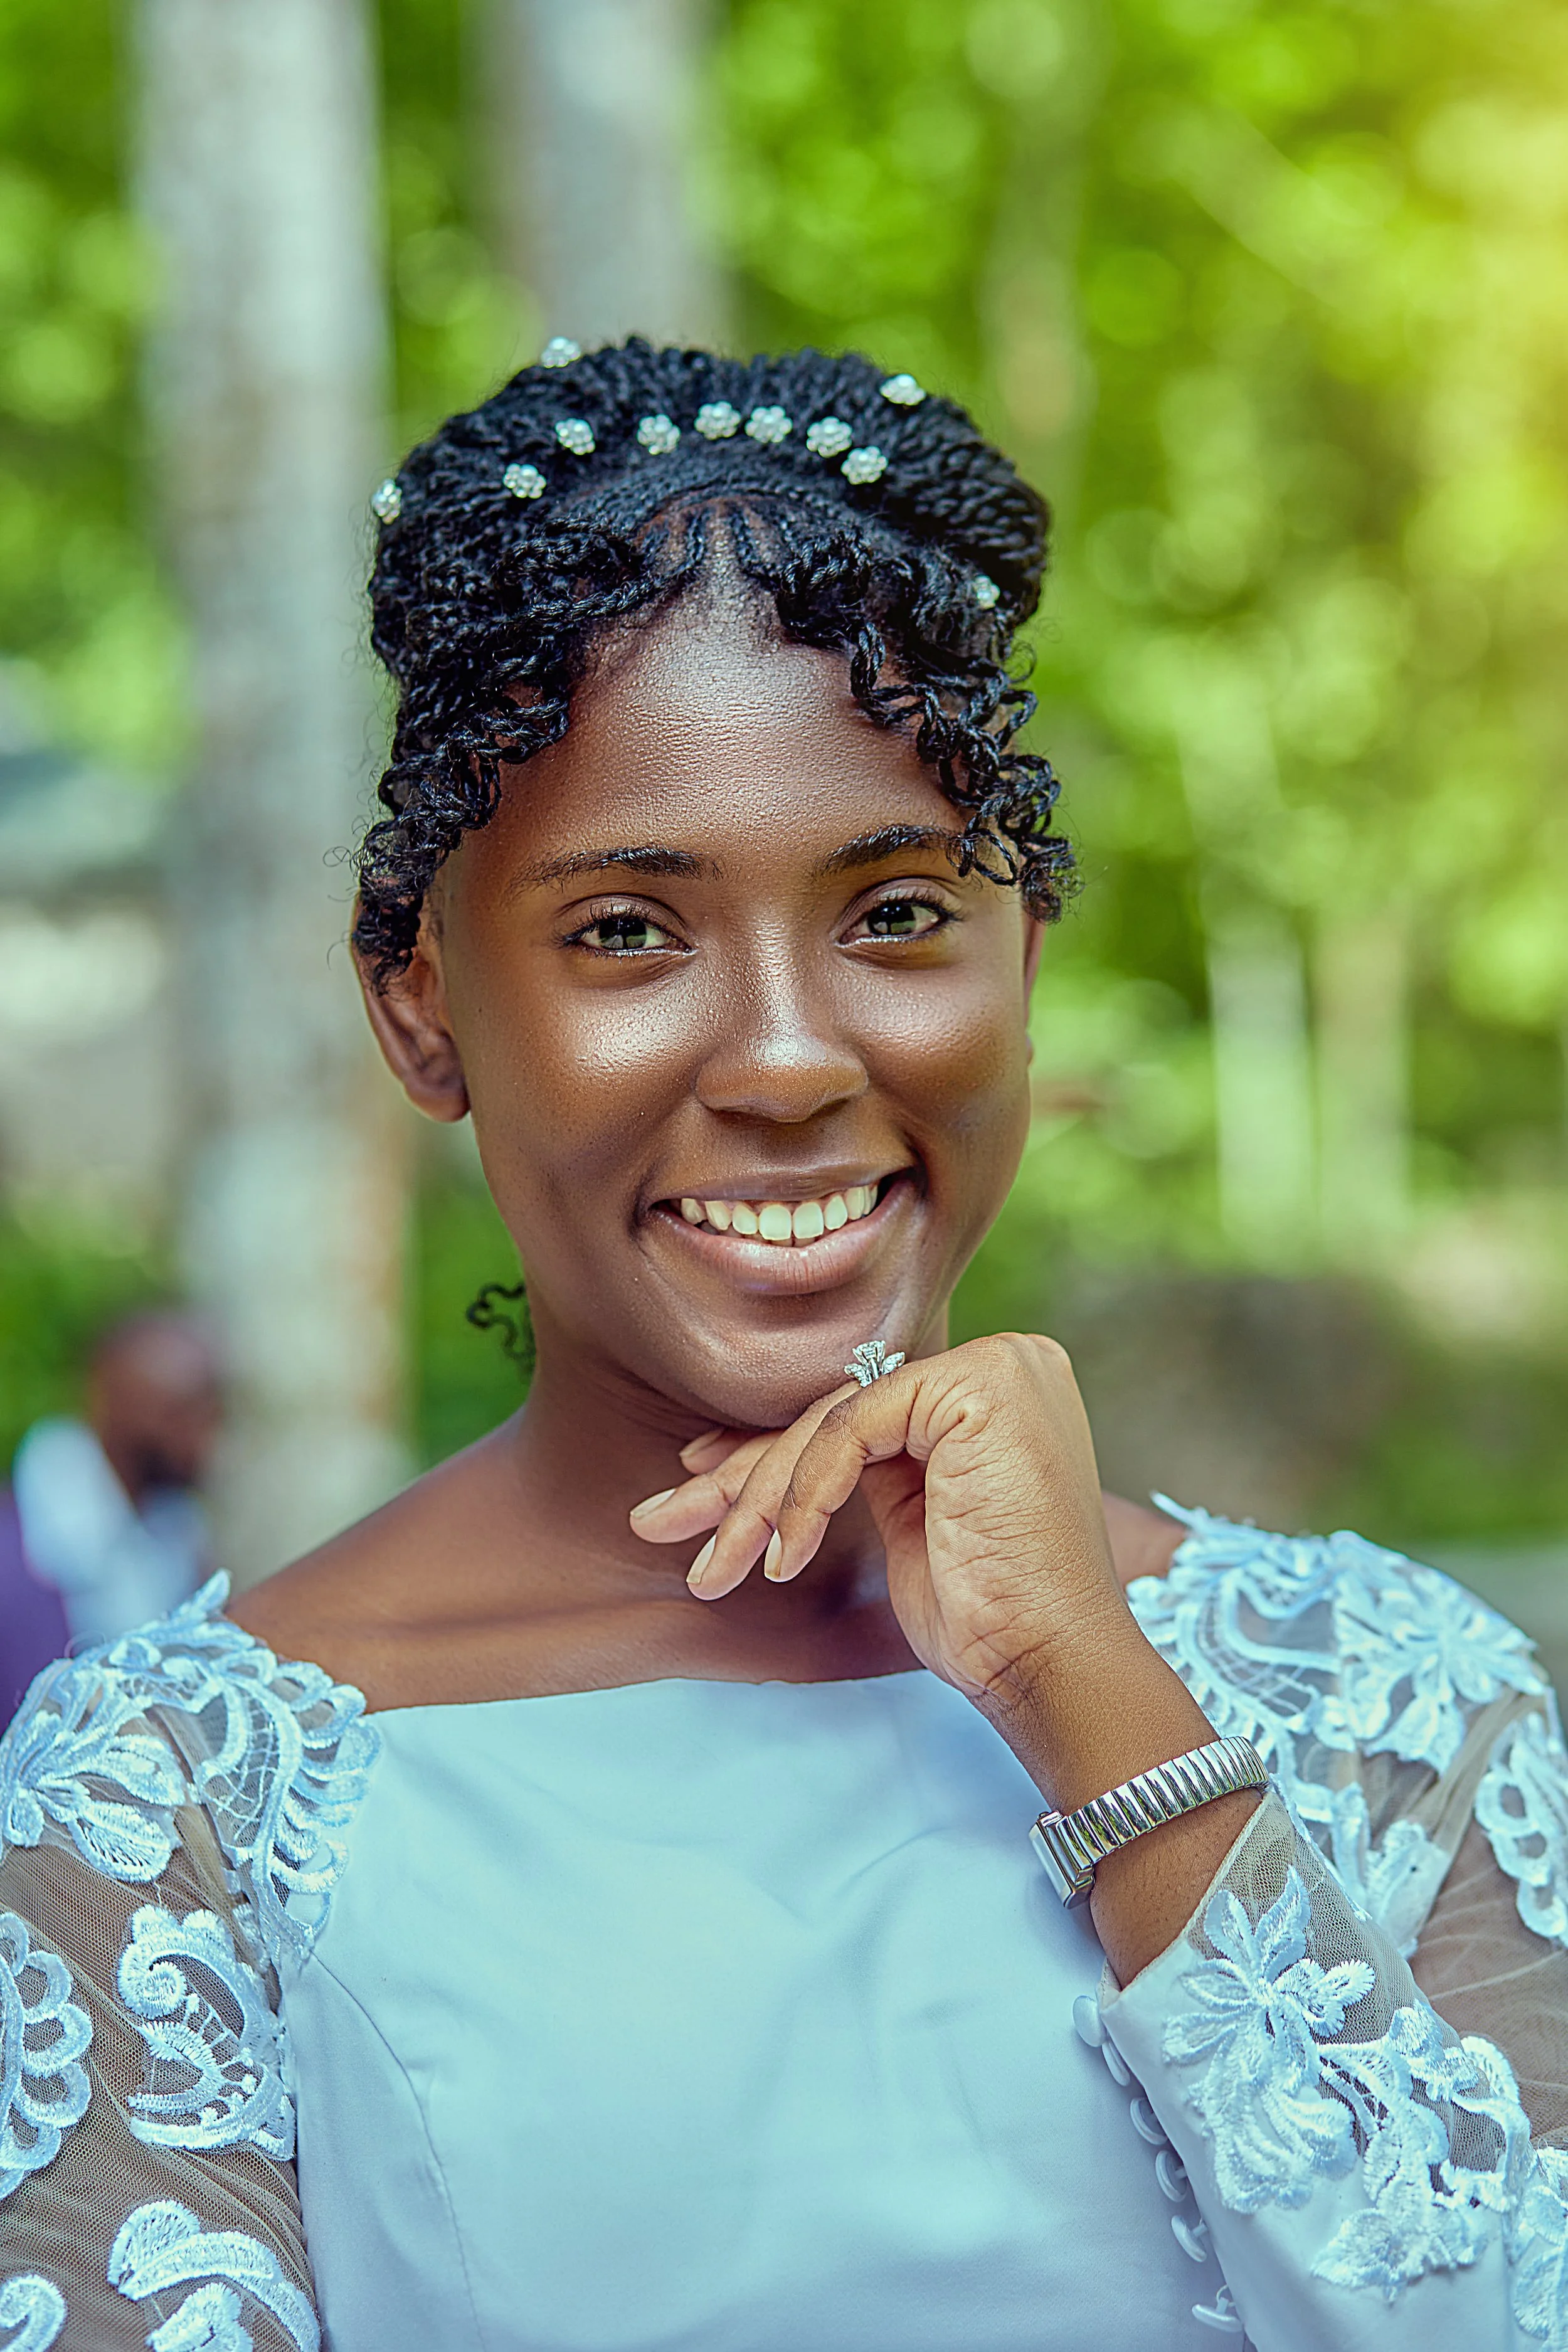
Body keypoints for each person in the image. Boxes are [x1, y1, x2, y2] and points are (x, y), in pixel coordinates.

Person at [0, 340, 1564, 2352]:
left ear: (1019, 967)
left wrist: (1101, 1707)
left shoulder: (1392, 1703)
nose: (787, 1055)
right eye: (626, 933)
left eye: (897, 908)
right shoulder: (170, 1812)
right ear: (420, 1007)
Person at [0, 1311, 220, 1722]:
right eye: (180, 1410)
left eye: (214, 1409)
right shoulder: (22, 1548)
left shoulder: (178, 1535)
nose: (205, 1434)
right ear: (112, 1398)